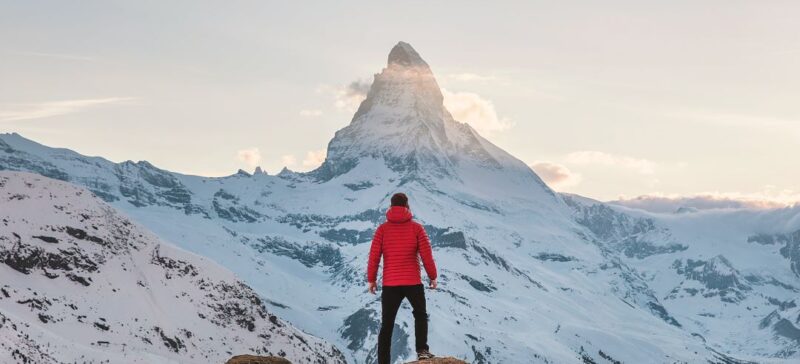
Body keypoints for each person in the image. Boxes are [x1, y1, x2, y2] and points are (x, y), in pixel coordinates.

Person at [367, 192, 438, 363]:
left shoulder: (382, 229)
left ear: (390, 207)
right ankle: (422, 350)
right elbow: (426, 254)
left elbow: (374, 256)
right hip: (413, 282)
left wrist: (372, 279)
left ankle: (383, 361)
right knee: (420, 315)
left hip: (390, 284)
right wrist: (432, 276)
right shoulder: (416, 228)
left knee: (387, 324)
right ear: (407, 206)